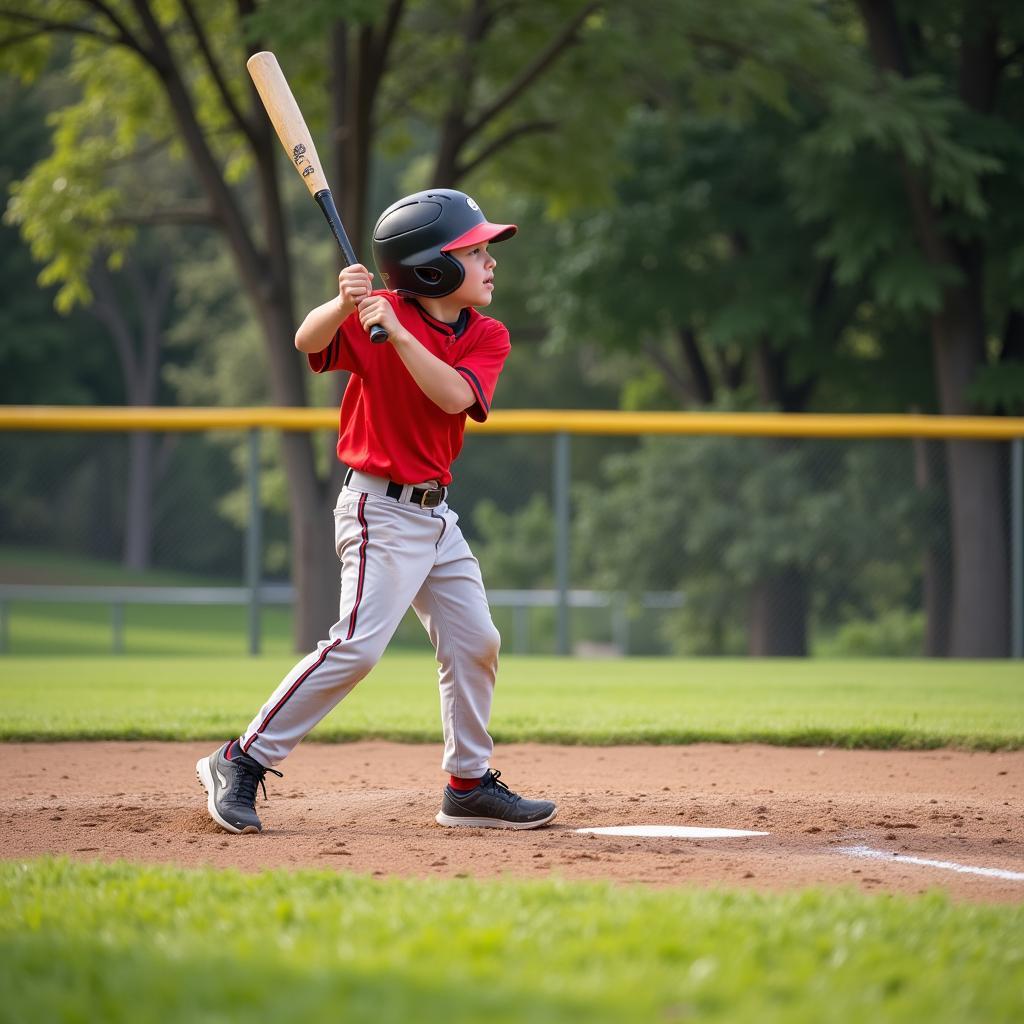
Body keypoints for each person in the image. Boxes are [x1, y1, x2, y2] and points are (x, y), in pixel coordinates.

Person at [197, 188, 557, 835]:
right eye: (474, 252)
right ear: (431, 269)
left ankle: (468, 786)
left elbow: (452, 398)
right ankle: (240, 758)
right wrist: (343, 302)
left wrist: (398, 336)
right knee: (359, 648)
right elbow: (308, 338)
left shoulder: (485, 335)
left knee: (477, 641)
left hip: (435, 517)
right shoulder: (376, 314)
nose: (490, 262)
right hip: (377, 509)